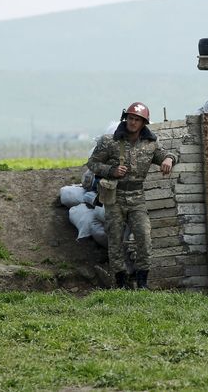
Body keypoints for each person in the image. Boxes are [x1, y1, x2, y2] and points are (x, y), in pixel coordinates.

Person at [88, 102, 177, 289]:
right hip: (115, 196)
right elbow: (92, 164)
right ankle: (120, 282)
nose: (133, 122)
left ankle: (142, 282)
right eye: (130, 118)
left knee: (144, 238)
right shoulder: (109, 141)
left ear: (144, 122)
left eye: (137, 119)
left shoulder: (150, 143)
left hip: (137, 196)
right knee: (115, 240)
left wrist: (169, 159)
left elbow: (164, 155)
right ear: (125, 118)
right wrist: (111, 170)